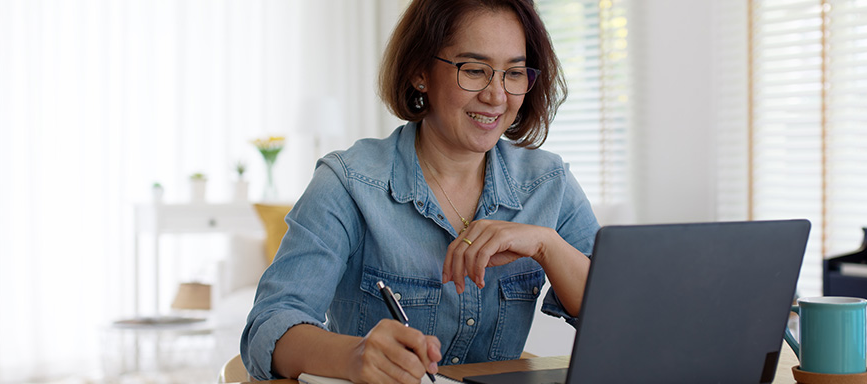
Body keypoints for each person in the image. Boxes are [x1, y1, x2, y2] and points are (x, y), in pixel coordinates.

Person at [241, 0, 600, 382]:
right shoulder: (348, 183)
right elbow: (268, 326)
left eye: (513, 73)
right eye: (474, 70)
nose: (497, 96)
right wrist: (355, 357)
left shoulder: (549, 182)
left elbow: (623, 315)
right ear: (419, 72)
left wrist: (547, 246)